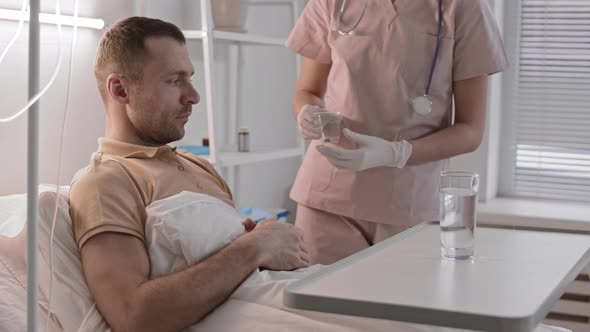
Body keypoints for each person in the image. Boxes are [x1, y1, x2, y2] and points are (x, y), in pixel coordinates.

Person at [68, 16, 310, 332]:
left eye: (190, 79)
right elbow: (132, 316)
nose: (193, 96)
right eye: (174, 80)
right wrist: (254, 247)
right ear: (120, 89)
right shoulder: (106, 182)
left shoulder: (198, 165)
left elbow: (238, 268)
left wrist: (267, 244)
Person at [286, 0, 508, 264]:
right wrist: (307, 113)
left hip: (408, 207)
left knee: (398, 302)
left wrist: (396, 153)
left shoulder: (463, 8)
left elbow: (470, 131)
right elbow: (307, 92)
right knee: (315, 302)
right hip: (326, 198)